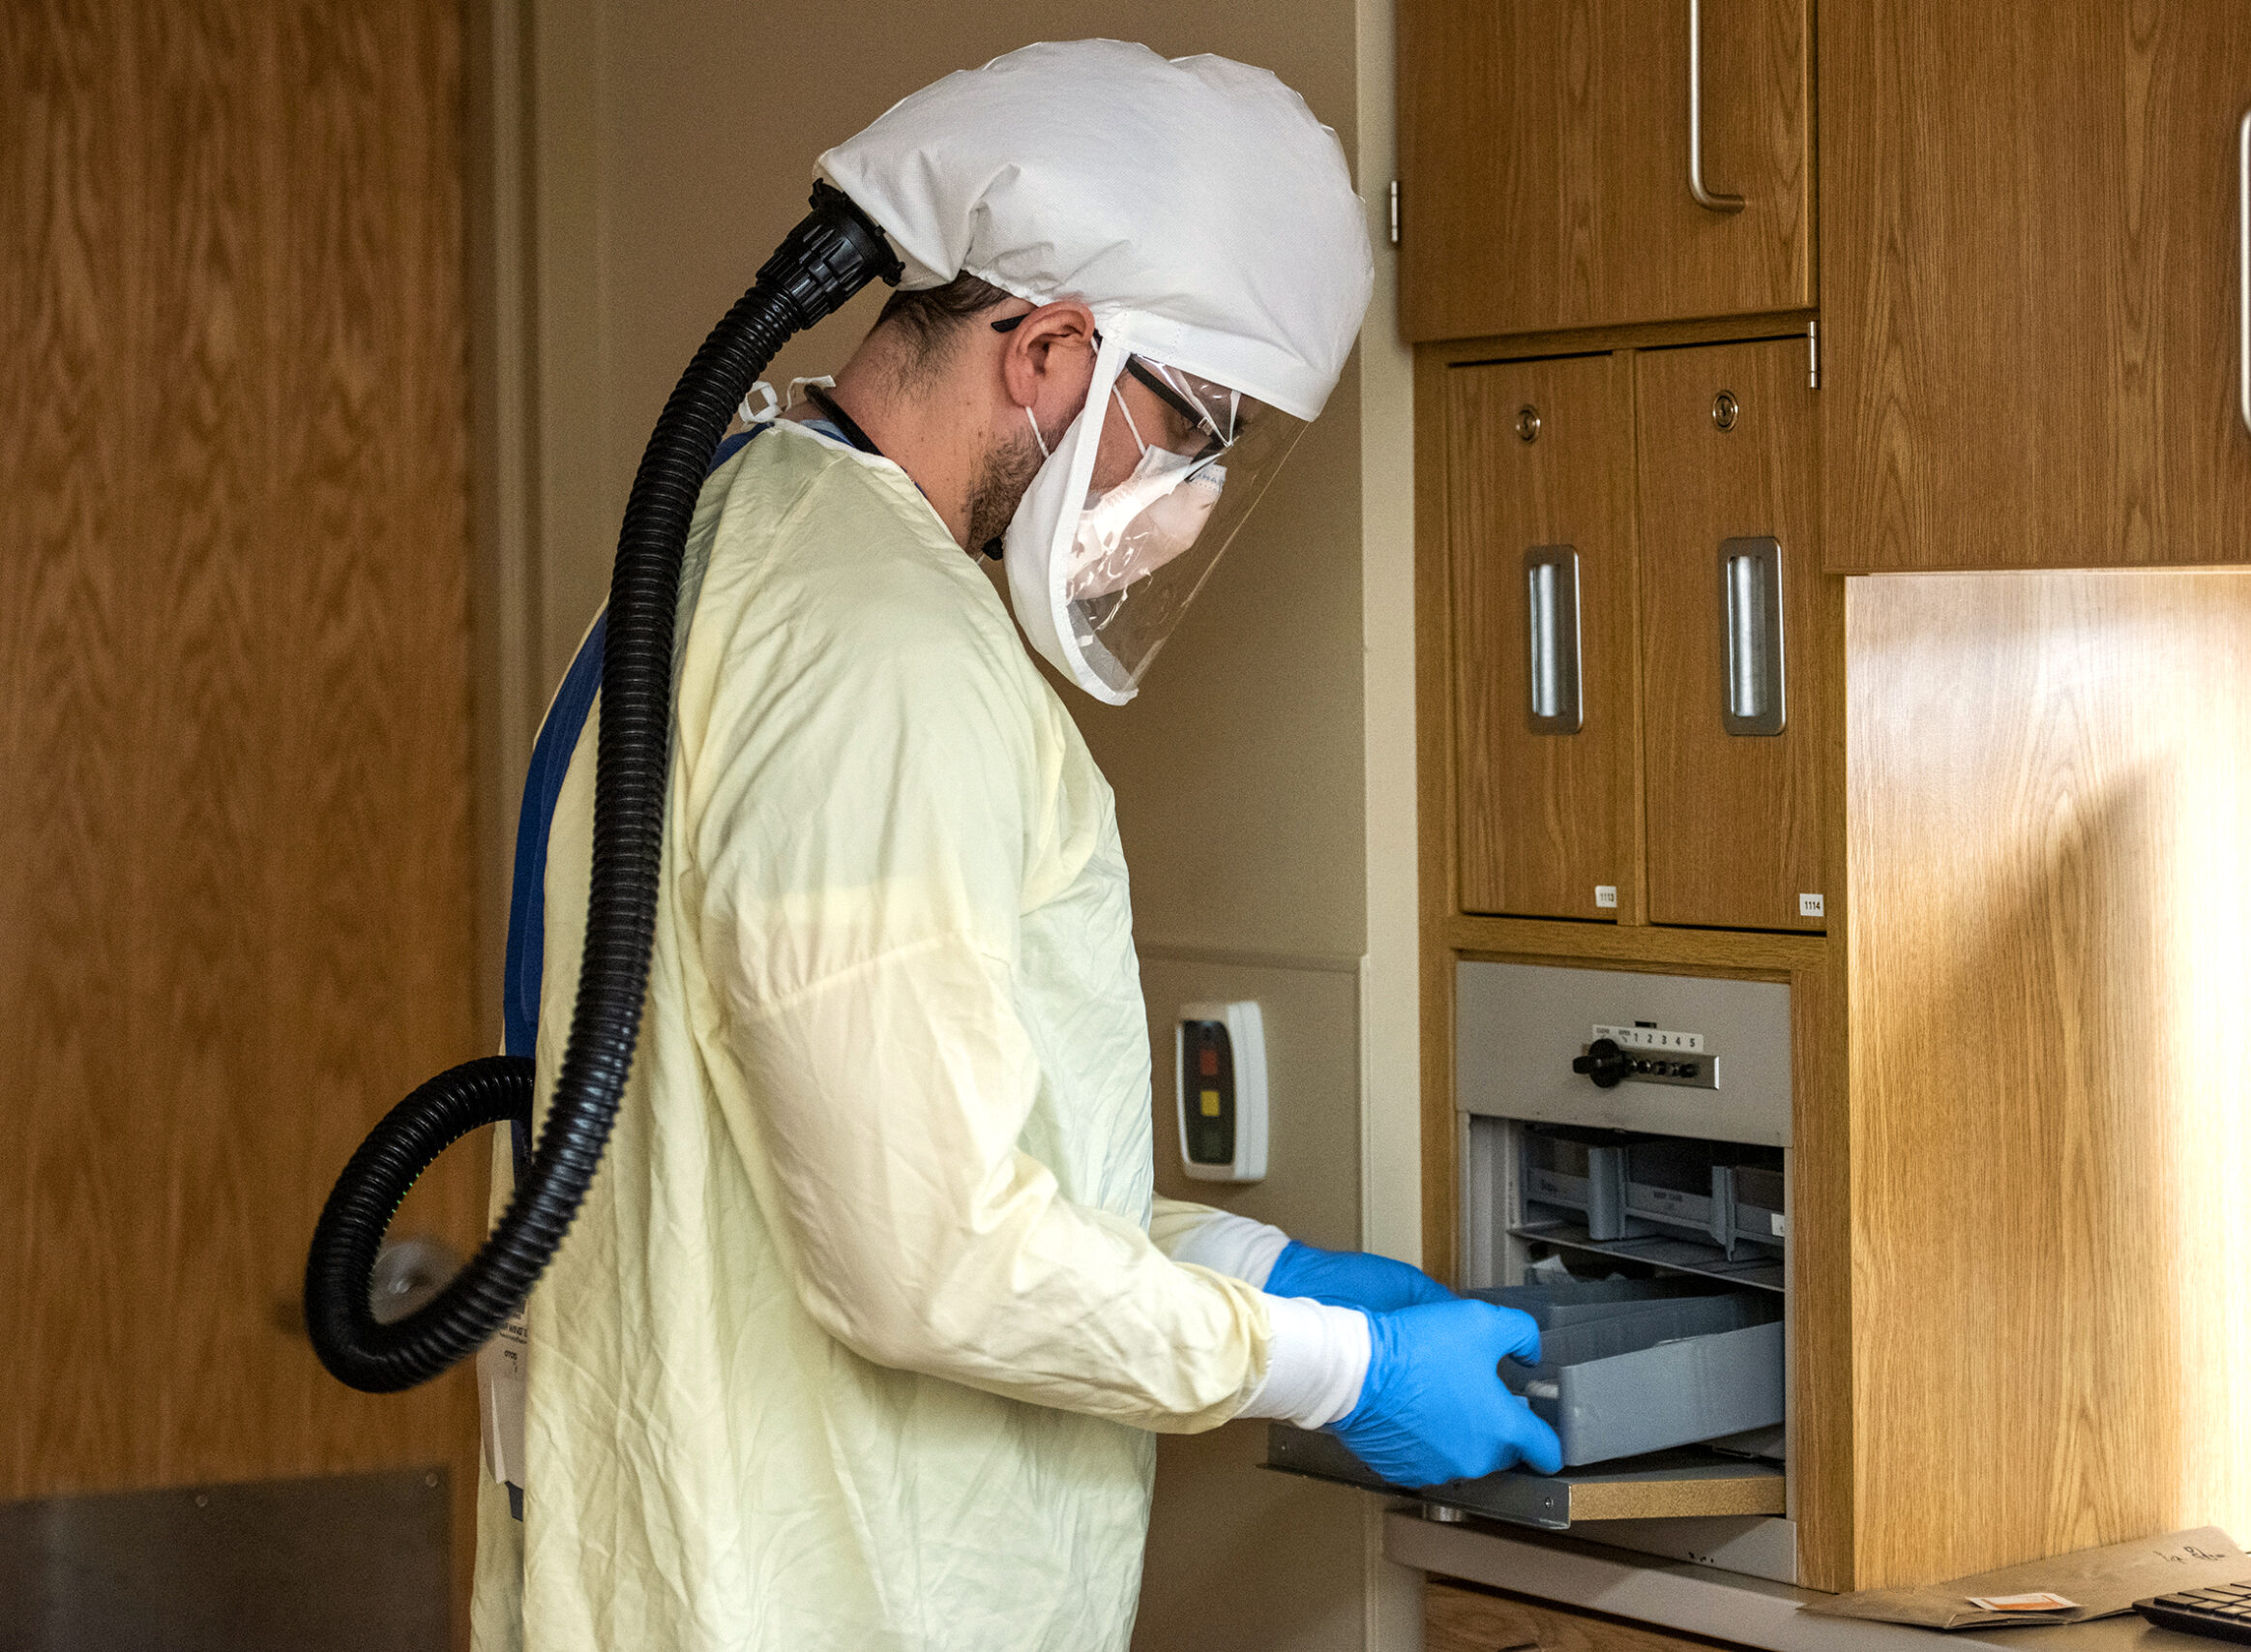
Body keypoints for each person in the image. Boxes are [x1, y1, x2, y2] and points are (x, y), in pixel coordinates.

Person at [471, 41, 1559, 1652]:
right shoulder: (878, 649)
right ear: (1050, 348)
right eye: (1198, 428)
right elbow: (930, 1257)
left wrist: (1269, 1272)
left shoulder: (745, 546)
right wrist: (1331, 1366)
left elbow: (886, 1149)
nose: (1190, 495)